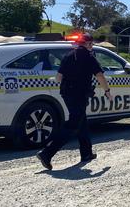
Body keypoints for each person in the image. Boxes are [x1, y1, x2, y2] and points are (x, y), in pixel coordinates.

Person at [37, 33, 111, 170]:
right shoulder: (89, 57)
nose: (92, 46)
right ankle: (46, 153)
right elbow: (100, 75)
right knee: (72, 125)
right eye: (91, 44)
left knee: (81, 121)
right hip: (79, 95)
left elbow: (59, 78)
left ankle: (86, 153)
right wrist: (107, 91)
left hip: (67, 94)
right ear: (88, 44)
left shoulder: (68, 56)